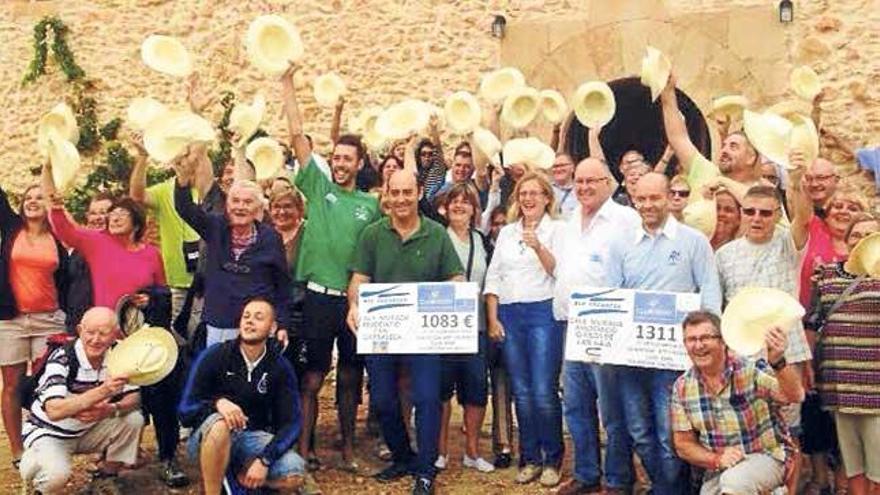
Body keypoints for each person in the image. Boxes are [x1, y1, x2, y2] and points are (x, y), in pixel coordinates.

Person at [282, 65, 381, 474]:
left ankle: (347, 450)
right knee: (312, 379)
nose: (339, 164)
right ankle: (303, 451)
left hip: (356, 304)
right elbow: (297, 137)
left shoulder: (371, 205)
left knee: (350, 380)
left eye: (346, 159)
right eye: (335, 158)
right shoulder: (317, 188)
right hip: (318, 298)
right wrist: (286, 85)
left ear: (359, 164)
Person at [347, 169, 464, 495]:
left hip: (424, 332)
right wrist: (354, 305)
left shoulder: (437, 234)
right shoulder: (372, 234)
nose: (400, 199)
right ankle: (402, 457)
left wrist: (450, 302)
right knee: (383, 399)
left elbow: (455, 279)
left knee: (427, 399)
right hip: (383, 328)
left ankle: (425, 470)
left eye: (407, 192)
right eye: (394, 192)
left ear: (417, 194)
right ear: (386, 195)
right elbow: (359, 278)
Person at [604, 172, 723, 495]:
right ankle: (664, 487)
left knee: (670, 436)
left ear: (670, 197)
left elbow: (710, 292)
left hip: (674, 359)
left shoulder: (692, 241)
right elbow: (611, 294)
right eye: (641, 199)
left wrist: (708, 346)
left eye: (654, 198)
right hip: (630, 357)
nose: (647, 205)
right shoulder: (621, 243)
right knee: (639, 431)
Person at [553, 158, 641, 494]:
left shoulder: (625, 220)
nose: (585, 187)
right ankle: (587, 473)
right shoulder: (571, 218)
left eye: (593, 181)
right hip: (572, 325)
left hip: (609, 326)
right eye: (580, 181)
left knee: (611, 408)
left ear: (609, 183)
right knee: (575, 404)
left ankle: (618, 479)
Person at [179, 298, 307, 495]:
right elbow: (185, 411)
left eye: (258, 317)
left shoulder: (280, 367)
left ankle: (239, 479)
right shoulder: (215, 355)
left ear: (272, 328)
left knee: (294, 472)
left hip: (252, 440)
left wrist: (265, 461)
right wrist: (217, 404)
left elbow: (293, 422)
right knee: (221, 425)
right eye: (246, 316)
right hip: (207, 440)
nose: (249, 321)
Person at [485, 173, 564, 487]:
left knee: (544, 390)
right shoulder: (506, 233)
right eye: (523, 193)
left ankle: (552, 458)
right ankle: (530, 457)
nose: (529, 199)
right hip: (509, 313)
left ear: (547, 198)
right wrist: (493, 318)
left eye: (535, 193)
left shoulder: (558, 230)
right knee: (521, 390)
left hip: (543, 310)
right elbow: (494, 277)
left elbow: (559, 271)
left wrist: (538, 246)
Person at [671, 311, 805, 495]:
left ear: (722, 341)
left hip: (766, 457)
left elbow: (794, 395)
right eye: (691, 339)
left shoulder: (750, 370)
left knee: (735, 482)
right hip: (720, 468)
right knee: (727, 484)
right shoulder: (682, 387)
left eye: (705, 338)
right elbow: (683, 445)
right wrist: (717, 459)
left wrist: (778, 362)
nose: (698, 345)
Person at [173, 146, 290, 348]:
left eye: (247, 202)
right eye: (235, 201)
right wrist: (183, 180)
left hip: (256, 327)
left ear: (258, 209)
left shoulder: (271, 238)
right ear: (227, 206)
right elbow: (185, 208)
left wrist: (282, 323)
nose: (240, 207)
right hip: (219, 324)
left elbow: (282, 285)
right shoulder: (215, 227)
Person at [19, 307, 143, 494]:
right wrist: (103, 391)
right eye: (90, 332)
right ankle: (37, 482)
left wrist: (111, 409)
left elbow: (136, 396)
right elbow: (54, 411)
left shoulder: (120, 355)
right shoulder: (63, 357)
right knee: (57, 475)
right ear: (79, 331)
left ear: (115, 335)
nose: (95, 339)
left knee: (134, 420)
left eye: (103, 333)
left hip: (88, 430)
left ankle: (105, 478)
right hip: (49, 432)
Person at [806, 214, 880, 495]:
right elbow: (812, 323)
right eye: (856, 235)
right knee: (853, 468)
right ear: (847, 241)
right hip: (839, 387)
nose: (861, 241)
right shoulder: (827, 275)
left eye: (870, 236)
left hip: (875, 391)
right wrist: (810, 366)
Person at [0, 184, 69, 465]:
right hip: (12, 321)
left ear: (48, 204)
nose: (32, 201)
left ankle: (42, 442)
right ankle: (18, 452)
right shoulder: (12, 227)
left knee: (47, 385)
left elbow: (67, 280)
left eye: (38, 197)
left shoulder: (58, 236)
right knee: (12, 386)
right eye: (27, 197)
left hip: (48, 321)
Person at [44, 163, 166, 310]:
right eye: (113, 214)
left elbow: (162, 292)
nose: (114, 219)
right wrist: (49, 171)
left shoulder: (152, 253)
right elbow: (63, 227)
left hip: (141, 325)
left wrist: (149, 299)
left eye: (122, 214)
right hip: (106, 326)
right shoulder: (97, 242)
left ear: (136, 223)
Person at [434, 183, 494, 474]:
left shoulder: (482, 241)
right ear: (445, 207)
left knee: (476, 391)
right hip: (444, 329)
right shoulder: (436, 238)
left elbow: (492, 280)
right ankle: (440, 450)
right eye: (453, 201)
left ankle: (472, 451)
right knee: (442, 391)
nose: (459, 206)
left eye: (465, 202)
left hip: (476, 328)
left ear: (474, 208)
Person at [661, 74, 760, 191]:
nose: (724, 150)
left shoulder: (759, 195)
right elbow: (678, 138)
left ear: (751, 158)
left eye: (733, 147)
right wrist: (667, 92)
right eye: (723, 146)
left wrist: (723, 182)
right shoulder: (706, 173)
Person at [798, 187, 867, 306]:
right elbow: (798, 204)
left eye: (853, 209)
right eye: (838, 206)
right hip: (804, 315)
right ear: (827, 213)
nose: (844, 211)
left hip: (847, 319)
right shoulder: (814, 228)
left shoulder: (869, 244)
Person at [549, 153, 578, 219]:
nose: (558, 169)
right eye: (555, 166)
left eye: (562, 165)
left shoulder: (581, 189)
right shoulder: (546, 190)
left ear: (572, 168)